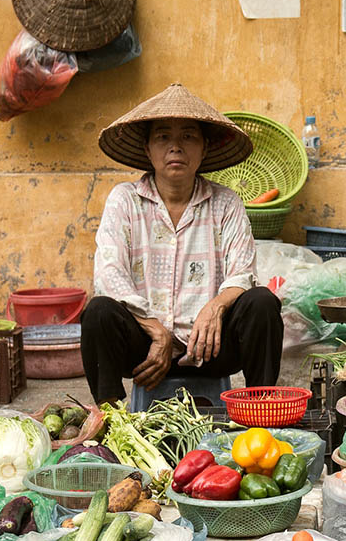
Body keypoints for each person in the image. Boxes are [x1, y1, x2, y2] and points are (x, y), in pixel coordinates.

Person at [81, 83, 284, 405]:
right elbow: (109, 274)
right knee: (98, 311)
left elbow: (242, 272)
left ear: (204, 148)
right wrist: (155, 330)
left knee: (261, 302)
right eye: (163, 137)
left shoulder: (226, 203)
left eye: (188, 137)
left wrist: (216, 307)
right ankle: (110, 420)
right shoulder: (125, 200)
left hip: (211, 347)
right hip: (144, 351)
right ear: (147, 150)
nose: (175, 147)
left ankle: (259, 412)